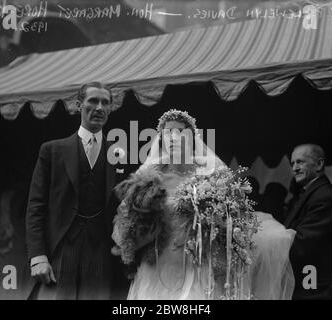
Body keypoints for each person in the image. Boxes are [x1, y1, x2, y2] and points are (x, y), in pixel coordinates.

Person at [112, 109, 295, 300]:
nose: (173, 137)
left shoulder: (209, 171)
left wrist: (211, 222)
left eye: (180, 132)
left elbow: (230, 212)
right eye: (167, 132)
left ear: (191, 137)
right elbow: (128, 215)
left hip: (196, 258)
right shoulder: (149, 174)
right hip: (158, 258)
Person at [25, 82, 124, 300]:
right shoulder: (52, 150)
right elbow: (36, 207)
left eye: (105, 103)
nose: (99, 107)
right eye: (93, 101)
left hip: (101, 253)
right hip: (61, 250)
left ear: (110, 109)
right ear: (79, 105)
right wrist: (37, 256)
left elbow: (123, 207)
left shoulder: (119, 154)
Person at [284, 144, 332, 299]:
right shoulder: (312, 193)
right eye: (293, 163)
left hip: (317, 288)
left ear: (320, 164)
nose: (294, 168)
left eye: (300, 162)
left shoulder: (323, 198)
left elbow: (304, 243)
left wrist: (267, 241)